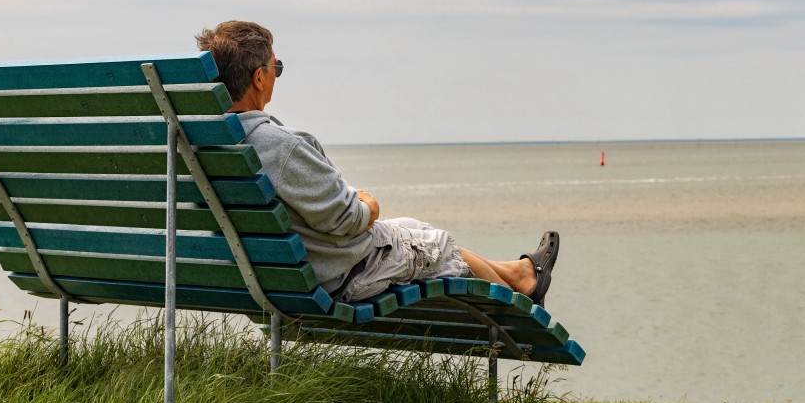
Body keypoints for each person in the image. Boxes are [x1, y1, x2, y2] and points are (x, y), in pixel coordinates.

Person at [195, 20, 560, 305]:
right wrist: (368, 205)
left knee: (415, 229)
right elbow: (346, 220)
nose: (276, 74)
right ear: (259, 77)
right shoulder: (281, 146)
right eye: (276, 67)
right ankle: (520, 306)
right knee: (440, 245)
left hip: (267, 275)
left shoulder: (203, 145)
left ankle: (522, 274)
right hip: (338, 277)